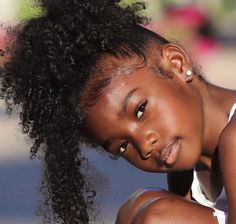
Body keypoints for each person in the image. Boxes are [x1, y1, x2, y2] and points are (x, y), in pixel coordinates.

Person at [0, 0, 235, 223]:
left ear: (175, 63)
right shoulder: (186, 167)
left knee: (157, 216)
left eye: (140, 110)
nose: (145, 145)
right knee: (138, 206)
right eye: (122, 146)